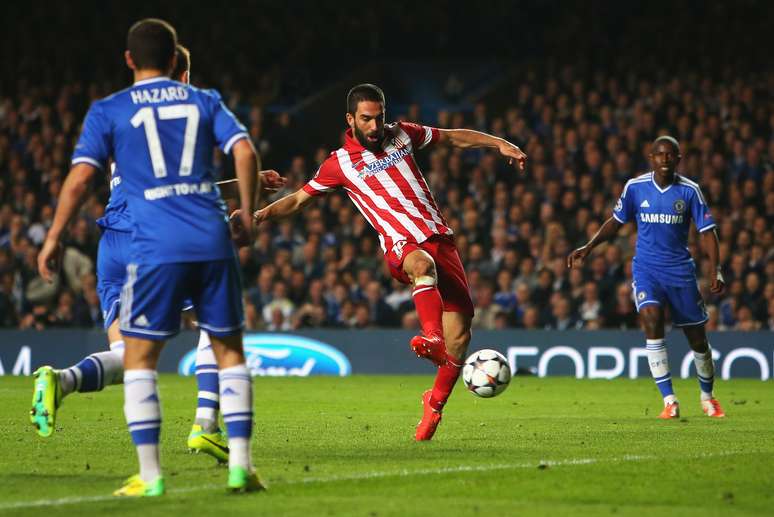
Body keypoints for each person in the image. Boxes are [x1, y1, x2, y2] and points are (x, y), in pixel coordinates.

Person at [36, 19, 263, 495]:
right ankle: (238, 462)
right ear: (177, 60)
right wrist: (246, 210)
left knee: (137, 357)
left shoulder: (111, 111)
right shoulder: (204, 100)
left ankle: (151, 473)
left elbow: (81, 179)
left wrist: (54, 236)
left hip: (146, 240)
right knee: (229, 350)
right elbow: (243, 151)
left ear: (128, 59)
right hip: (206, 235)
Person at [248, 83, 526, 440]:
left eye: (379, 117)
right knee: (421, 267)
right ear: (350, 119)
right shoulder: (339, 164)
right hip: (401, 244)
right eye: (366, 119)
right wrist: (259, 216)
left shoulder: (403, 134)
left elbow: (452, 137)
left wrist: (499, 143)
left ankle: (434, 403)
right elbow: (299, 199)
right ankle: (431, 336)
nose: (375, 125)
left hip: (440, 238)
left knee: (459, 337)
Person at [568, 136, 726, 419]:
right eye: (660, 154)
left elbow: (707, 232)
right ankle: (669, 400)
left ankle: (707, 397)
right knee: (651, 319)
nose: (665, 159)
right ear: (651, 158)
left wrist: (716, 269)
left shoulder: (690, 191)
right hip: (646, 270)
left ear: (678, 159)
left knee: (697, 340)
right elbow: (616, 222)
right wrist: (589, 247)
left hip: (680, 272)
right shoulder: (635, 187)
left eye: (670, 155)